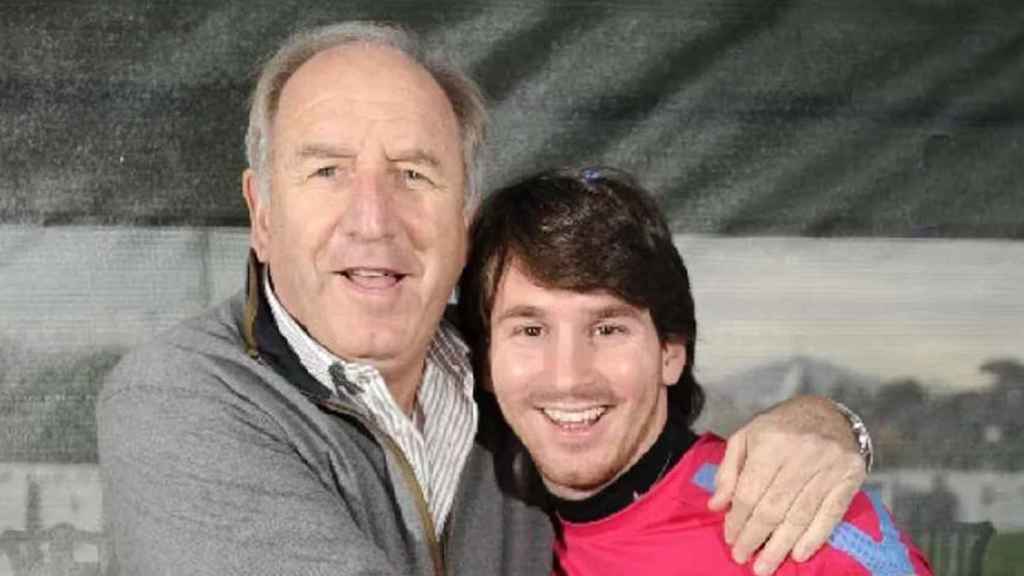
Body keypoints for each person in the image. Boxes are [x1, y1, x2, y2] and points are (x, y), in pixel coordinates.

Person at [97, 22, 871, 575]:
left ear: (462, 219)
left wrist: (828, 427)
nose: (374, 219)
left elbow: (643, 447)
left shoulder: (507, 370)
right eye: (326, 171)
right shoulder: (181, 399)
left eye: (414, 174)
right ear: (262, 214)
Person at [458, 167, 931, 575]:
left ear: (670, 352)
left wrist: (834, 421)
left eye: (607, 329)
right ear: (484, 362)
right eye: (530, 330)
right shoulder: (476, 519)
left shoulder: (801, 529)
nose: (567, 377)